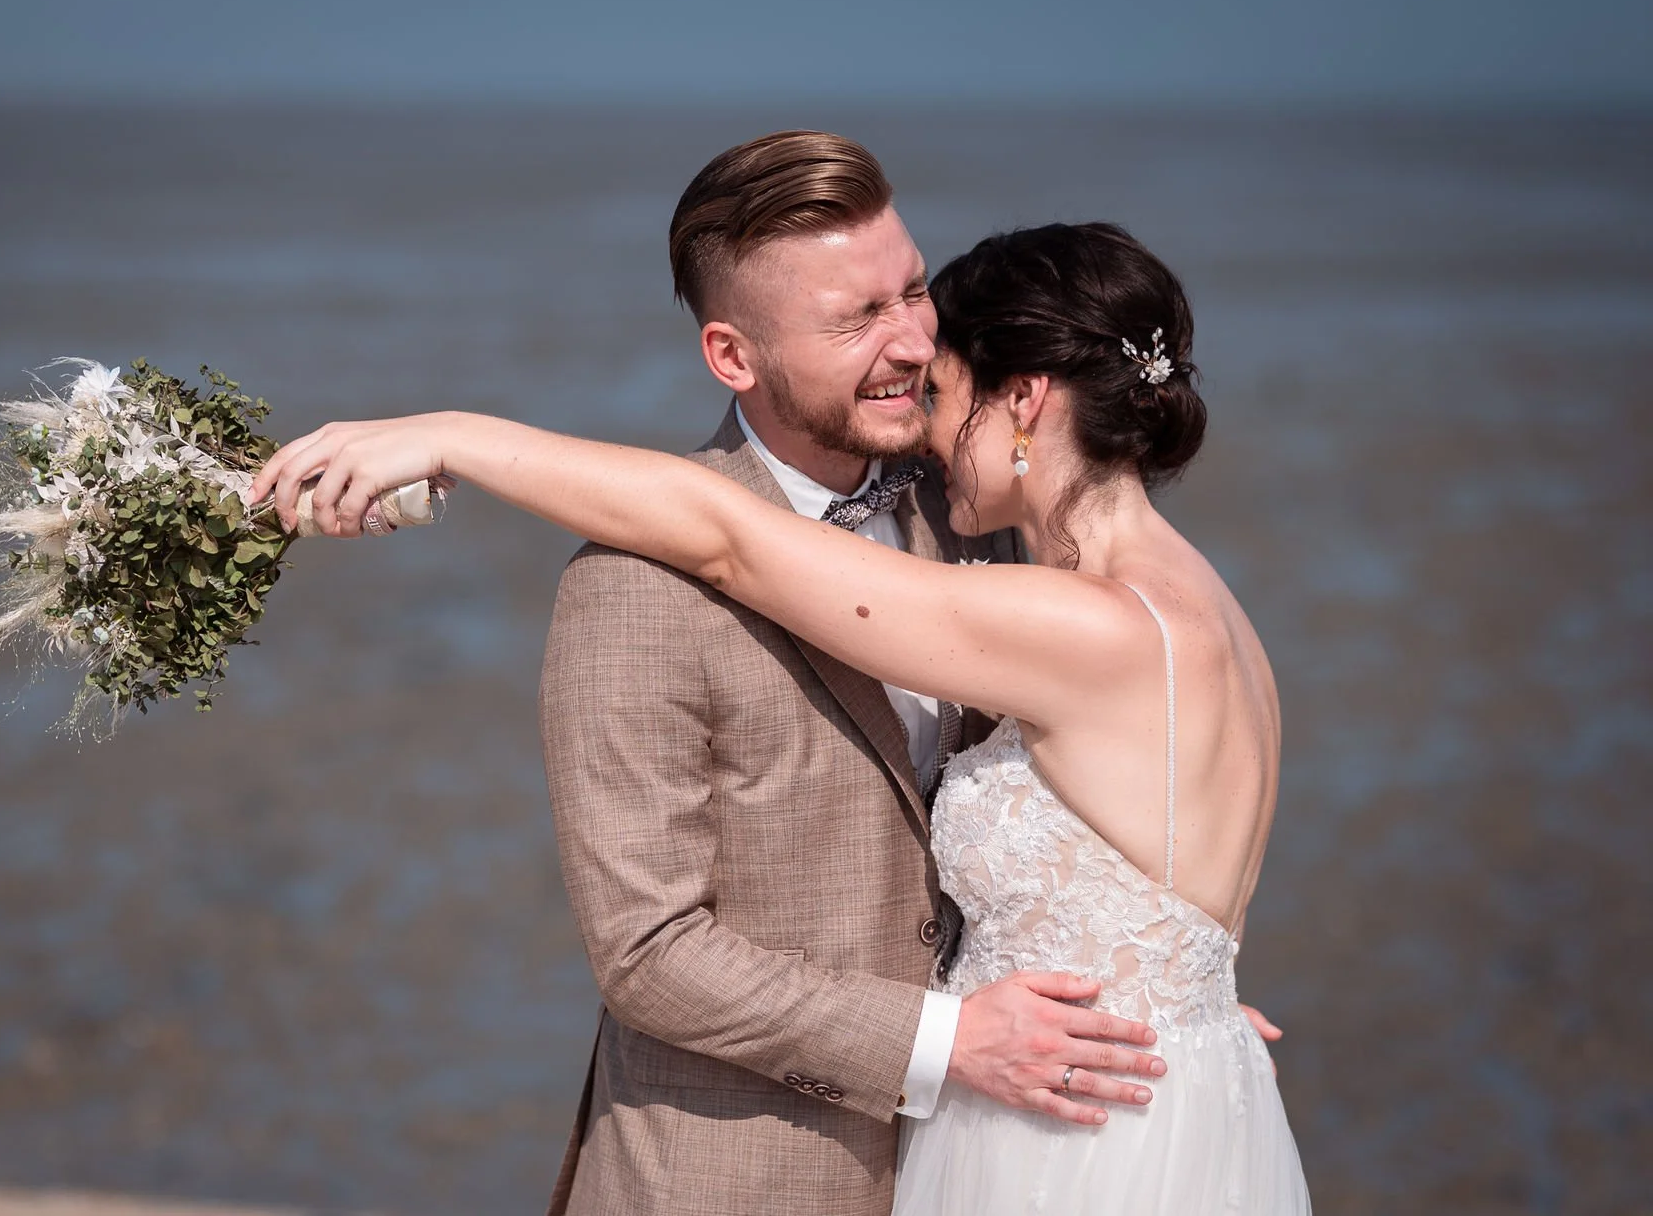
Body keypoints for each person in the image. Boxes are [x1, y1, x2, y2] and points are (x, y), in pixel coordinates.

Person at [252, 136, 1302, 1213]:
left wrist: (1159, 988)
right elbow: (650, 952)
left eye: (911, 292)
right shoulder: (633, 588)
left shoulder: (983, 522)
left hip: (1028, 1146)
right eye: (857, 318)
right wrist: (992, 1029)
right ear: (733, 355)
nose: (912, 344)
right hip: (737, 1178)